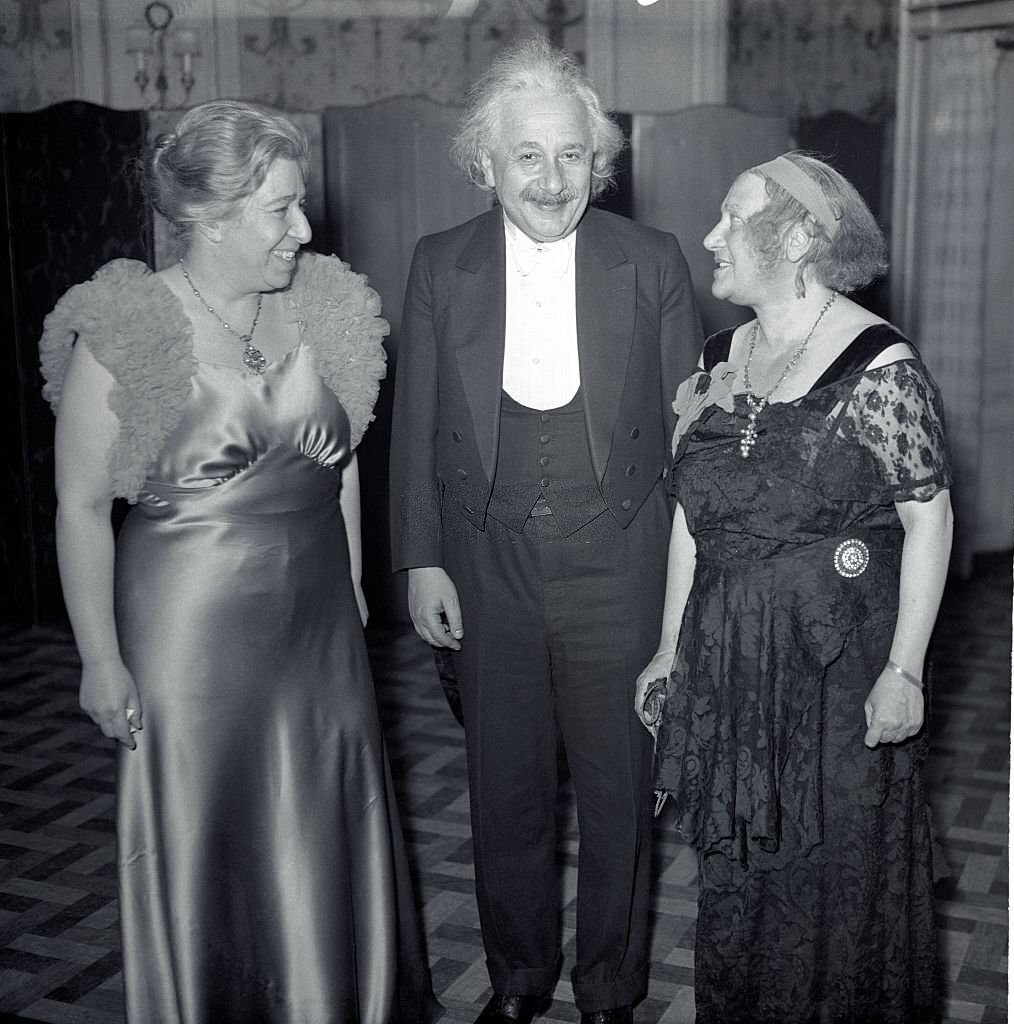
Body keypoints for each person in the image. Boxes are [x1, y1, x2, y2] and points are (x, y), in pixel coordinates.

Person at [39, 100, 442, 1024]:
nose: (303, 229)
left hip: (316, 622)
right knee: (209, 825)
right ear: (208, 218)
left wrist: (347, 585)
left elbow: (336, 459)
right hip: (189, 628)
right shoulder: (129, 329)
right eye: (279, 211)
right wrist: (99, 659)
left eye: (299, 206)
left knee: (322, 817)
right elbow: (79, 506)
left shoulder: (328, 306)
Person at [389, 38, 702, 1024]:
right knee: (504, 789)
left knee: (619, 791)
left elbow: (693, 435)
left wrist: (682, 597)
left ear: (597, 163)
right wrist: (421, 555)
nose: (553, 178)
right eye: (528, 156)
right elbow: (418, 424)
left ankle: (609, 988)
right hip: (485, 566)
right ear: (486, 164)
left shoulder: (649, 260)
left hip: (622, 559)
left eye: (572, 155)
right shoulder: (439, 264)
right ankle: (520, 981)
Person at [635, 151, 953, 1024]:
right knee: (740, 874)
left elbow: (927, 519)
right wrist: (667, 649)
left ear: (803, 235)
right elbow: (688, 522)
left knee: (834, 868)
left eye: (732, 218)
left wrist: (905, 671)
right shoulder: (715, 356)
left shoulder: (879, 364)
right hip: (728, 656)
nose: (710, 236)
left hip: (837, 668)